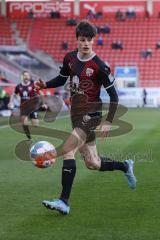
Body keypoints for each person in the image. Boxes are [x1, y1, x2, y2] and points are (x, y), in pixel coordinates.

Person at [35, 20, 137, 215]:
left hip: (91, 115)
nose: (86, 43)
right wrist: (44, 85)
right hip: (76, 114)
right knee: (93, 163)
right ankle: (125, 166)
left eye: (89, 40)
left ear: (93, 41)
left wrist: (108, 121)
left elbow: (114, 96)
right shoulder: (69, 58)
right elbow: (62, 78)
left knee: (67, 149)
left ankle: (64, 201)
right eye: (82, 39)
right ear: (77, 40)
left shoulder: (100, 66)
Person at [8, 70, 39, 140]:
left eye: (27, 75)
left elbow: (39, 93)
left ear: (29, 76)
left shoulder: (33, 84)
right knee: (24, 123)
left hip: (32, 107)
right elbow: (13, 94)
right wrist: (10, 102)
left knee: (36, 125)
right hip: (23, 107)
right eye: (25, 75)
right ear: (22, 77)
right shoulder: (19, 86)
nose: (26, 77)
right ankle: (29, 137)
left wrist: (42, 103)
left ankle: (32, 119)